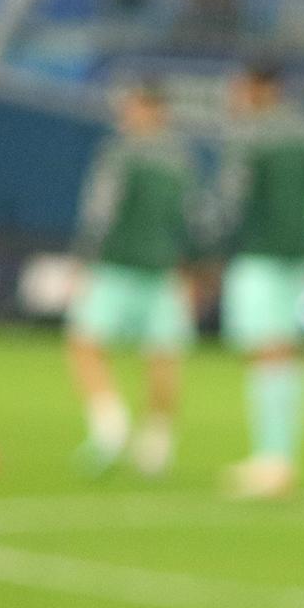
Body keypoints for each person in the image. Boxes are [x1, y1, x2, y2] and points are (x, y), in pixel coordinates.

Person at [66, 81, 203, 477]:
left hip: (119, 265)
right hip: (163, 268)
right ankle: (156, 443)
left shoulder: (120, 153)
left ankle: (111, 422)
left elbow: (100, 211)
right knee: (163, 354)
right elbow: (195, 219)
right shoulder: (182, 158)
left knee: (86, 343)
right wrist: (195, 266)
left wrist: (83, 258)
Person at [216, 62, 304, 497]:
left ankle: (271, 459)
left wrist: (212, 250)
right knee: (287, 352)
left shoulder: (250, 135)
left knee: (265, 353)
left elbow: (232, 199)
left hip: (258, 254)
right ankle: (281, 456)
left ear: (258, 87)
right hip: (300, 257)